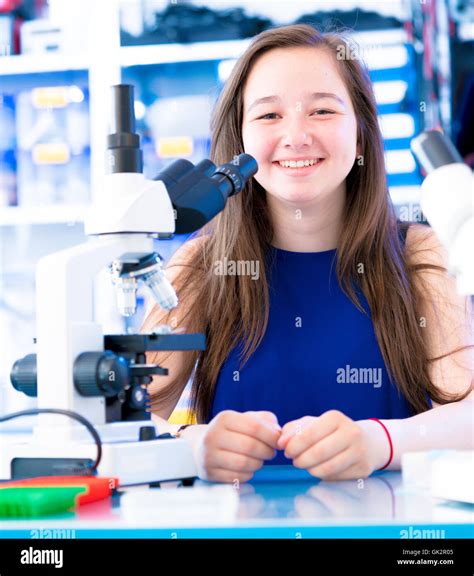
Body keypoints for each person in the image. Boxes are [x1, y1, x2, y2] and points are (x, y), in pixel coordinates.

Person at [141, 24, 473, 483]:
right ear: (239, 139)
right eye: (269, 116)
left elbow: (468, 418)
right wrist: (188, 447)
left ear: (360, 135)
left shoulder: (420, 256)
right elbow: (121, 422)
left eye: (321, 110)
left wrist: (380, 442)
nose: (296, 136)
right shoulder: (198, 268)